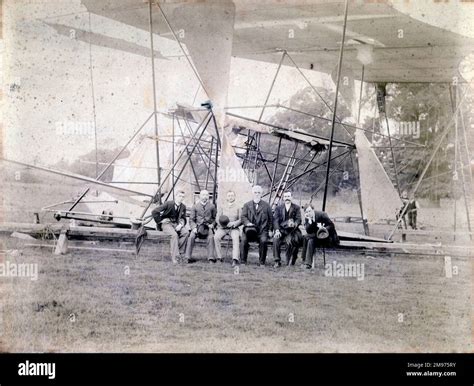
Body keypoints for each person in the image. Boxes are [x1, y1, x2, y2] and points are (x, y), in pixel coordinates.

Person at [151, 190, 189, 264]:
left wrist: (180, 225)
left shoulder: (183, 206)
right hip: (166, 224)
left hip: (176, 224)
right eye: (179, 196)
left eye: (183, 197)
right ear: (176, 196)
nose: (181, 198)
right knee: (174, 235)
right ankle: (175, 258)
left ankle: (179, 252)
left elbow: (184, 218)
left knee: (186, 232)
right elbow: (154, 211)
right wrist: (160, 221)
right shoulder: (168, 203)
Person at [240, 185, 273, 267]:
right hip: (249, 230)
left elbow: (271, 219)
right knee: (243, 240)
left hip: (262, 231)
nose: (257, 194)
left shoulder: (266, 206)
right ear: (252, 194)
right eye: (255, 192)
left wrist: (270, 230)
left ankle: (262, 262)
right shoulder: (247, 205)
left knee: (264, 241)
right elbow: (243, 217)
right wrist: (247, 223)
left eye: (259, 192)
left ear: (261, 194)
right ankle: (243, 261)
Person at [301, 204, 339, 270]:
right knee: (310, 240)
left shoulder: (322, 214)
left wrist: (323, 228)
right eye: (306, 212)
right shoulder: (307, 218)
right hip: (317, 237)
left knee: (306, 237)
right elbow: (308, 231)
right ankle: (308, 264)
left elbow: (331, 225)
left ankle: (304, 259)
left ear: (313, 210)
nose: (308, 213)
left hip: (327, 237)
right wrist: (310, 222)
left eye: (309, 211)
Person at [272, 191, 302, 268]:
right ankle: (277, 261)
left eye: (288, 196)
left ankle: (290, 260)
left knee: (291, 241)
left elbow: (299, 219)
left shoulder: (296, 207)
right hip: (281, 230)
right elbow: (276, 220)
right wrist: (277, 230)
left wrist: (294, 224)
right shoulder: (278, 208)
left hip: (293, 231)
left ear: (291, 197)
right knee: (276, 239)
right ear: (283, 198)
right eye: (285, 197)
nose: (287, 198)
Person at [185, 189, 217, 263]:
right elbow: (191, 219)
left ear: (208, 196)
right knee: (191, 237)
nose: (205, 197)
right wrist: (193, 228)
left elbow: (215, 218)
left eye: (206, 195)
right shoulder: (195, 206)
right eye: (203, 195)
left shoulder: (212, 206)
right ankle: (187, 257)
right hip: (197, 227)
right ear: (199, 196)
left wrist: (213, 224)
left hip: (208, 227)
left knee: (211, 237)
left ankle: (211, 258)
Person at [214, 190, 241, 266]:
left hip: (233, 228)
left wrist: (234, 223)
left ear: (234, 197)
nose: (230, 197)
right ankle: (219, 257)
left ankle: (235, 259)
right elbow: (217, 218)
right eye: (229, 196)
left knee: (236, 238)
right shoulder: (222, 206)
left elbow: (241, 219)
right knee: (216, 237)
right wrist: (222, 224)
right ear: (226, 197)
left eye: (232, 196)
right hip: (223, 228)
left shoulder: (238, 206)